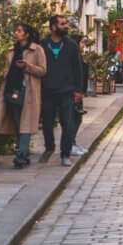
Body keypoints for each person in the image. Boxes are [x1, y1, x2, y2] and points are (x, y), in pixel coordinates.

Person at [0, 23, 46, 168]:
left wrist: (27, 66)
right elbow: (6, 69)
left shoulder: (37, 50)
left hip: (28, 92)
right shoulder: (11, 50)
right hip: (11, 89)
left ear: (27, 34)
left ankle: (21, 155)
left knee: (25, 124)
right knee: (18, 123)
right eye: (16, 30)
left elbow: (43, 71)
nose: (16, 33)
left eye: (19, 31)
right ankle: (22, 151)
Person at [39, 14, 86, 166]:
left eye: (66, 23)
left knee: (68, 123)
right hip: (47, 91)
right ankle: (49, 147)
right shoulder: (42, 45)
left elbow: (78, 69)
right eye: (62, 24)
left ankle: (65, 154)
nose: (65, 26)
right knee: (47, 123)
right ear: (53, 27)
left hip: (67, 91)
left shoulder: (71, 45)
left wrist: (78, 90)